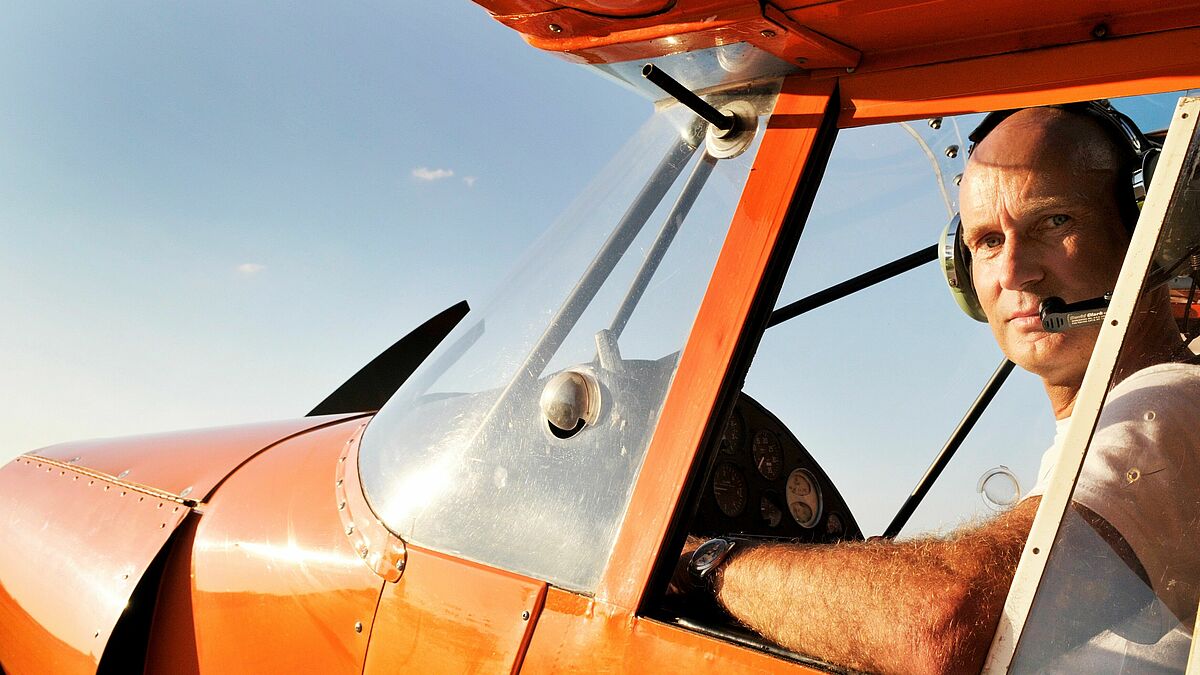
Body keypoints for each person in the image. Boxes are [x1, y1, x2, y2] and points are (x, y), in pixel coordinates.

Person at [675, 104, 1198, 674]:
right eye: (989, 241)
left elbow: (943, 622)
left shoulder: (1167, 408)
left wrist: (710, 563)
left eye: (1055, 222)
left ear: (1151, 230)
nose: (1015, 271)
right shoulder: (1117, 419)